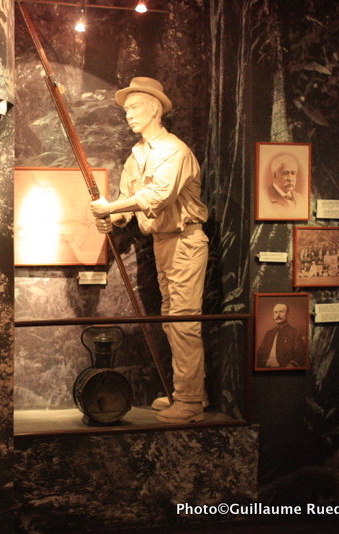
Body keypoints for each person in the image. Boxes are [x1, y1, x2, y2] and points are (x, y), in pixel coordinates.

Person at [90, 77, 209, 424]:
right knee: (173, 321)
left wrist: (110, 209)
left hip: (185, 241)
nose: (128, 114)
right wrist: (111, 217)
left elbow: (158, 197)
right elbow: (129, 211)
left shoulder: (175, 151)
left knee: (185, 321)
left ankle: (190, 402)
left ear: (155, 108)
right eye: (126, 109)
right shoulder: (136, 156)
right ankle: (188, 391)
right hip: (162, 243)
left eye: (135, 107)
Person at [257, 303, 306, 368]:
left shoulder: (295, 333)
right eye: (275, 312)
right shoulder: (269, 334)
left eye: (281, 312)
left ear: (287, 314)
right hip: (264, 368)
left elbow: (299, 355)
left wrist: (292, 364)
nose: (278, 315)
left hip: (282, 368)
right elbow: (260, 354)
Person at [261, 153, 306, 218]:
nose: (290, 179)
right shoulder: (263, 197)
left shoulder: (300, 198)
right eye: (285, 173)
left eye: (293, 173)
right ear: (275, 175)